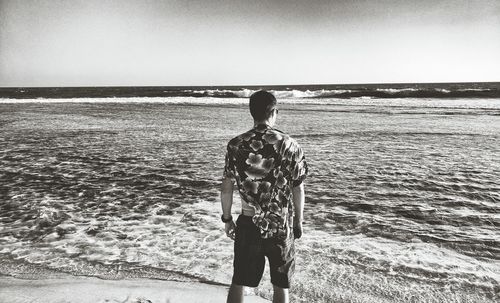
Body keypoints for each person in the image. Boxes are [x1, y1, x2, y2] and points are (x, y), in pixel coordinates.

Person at [220, 90, 308, 303]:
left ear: (252, 113)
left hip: (248, 222)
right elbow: (298, 188)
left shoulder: (236, 145)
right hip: (279, 224)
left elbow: (226, 187)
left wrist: (227, 219)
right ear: (274, 112)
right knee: (281, 285)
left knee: (239, 280)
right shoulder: (290, 145)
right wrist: (298, 221)